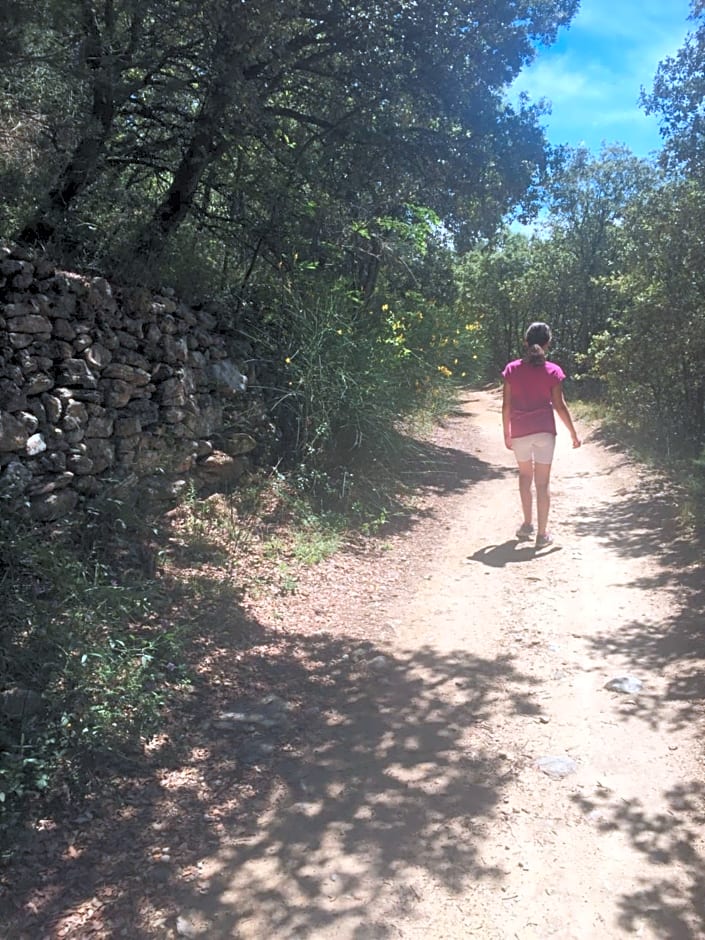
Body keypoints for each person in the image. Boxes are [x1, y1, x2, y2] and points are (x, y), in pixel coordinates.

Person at [502, 322, 581, 549]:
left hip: (519, 431)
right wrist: (573, 434)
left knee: (525, 477)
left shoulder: (511, 370)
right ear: (547, 344)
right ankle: (542, 535)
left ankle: (527, 524)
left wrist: (506, 432)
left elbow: (506, 405)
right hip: (545, 431)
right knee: (543, 482)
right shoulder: (553, 371)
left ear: (525, 343)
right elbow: (560, 405)